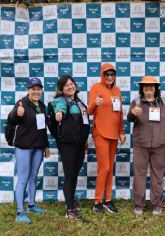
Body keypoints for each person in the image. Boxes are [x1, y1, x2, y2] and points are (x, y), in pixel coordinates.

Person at [127, 76, 165, 216]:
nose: (148, 88)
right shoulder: (136, 102)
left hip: (159, 145)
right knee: (139, 175)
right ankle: (139, 205)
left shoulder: (164, 102)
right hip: (141, 144)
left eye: (151, 86)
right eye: (145, 86)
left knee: (157, 175)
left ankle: (157, 204)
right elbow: (130, 118)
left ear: (156, 88)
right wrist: (132, 113)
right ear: (142, 88)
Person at [8, 77, 50, 224]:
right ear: (28, 90)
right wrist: (16, 114)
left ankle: (31, 205)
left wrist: (46, 145)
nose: (36, 91)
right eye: (33, 89)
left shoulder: (42, 106)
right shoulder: (21, 103)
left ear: (41, 91)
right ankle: (20, 212)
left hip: (38, 147)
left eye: (39, 89)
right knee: (23, 179)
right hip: (24, 147)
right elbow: (11, 120)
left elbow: (43, 128)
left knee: (33, 177)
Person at [88, 63, 126, 214]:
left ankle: (108, 199)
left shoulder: (117, 91)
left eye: (112, 74)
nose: (109, 77)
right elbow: (89, 111)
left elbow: (120, 113)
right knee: (104, 168)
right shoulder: (96, 88)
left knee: (110, 168)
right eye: (106, 74)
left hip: (114, 134)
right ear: (102, 75)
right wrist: (94, 104)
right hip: (100, 133)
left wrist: (121, 131)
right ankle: (97, 201)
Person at [51, 75, 90, 222]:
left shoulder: (78, 102)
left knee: (74, 173)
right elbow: (59, 109)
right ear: (61, 89)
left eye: (72, 84)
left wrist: (85, 140)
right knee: (69, 175)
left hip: (80, 144)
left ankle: (72, 202)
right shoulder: (60, 101)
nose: (70, 87)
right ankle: (69, 210)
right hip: (68, 144)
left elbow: (83, 123)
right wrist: (59, 114)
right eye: (66, 85)